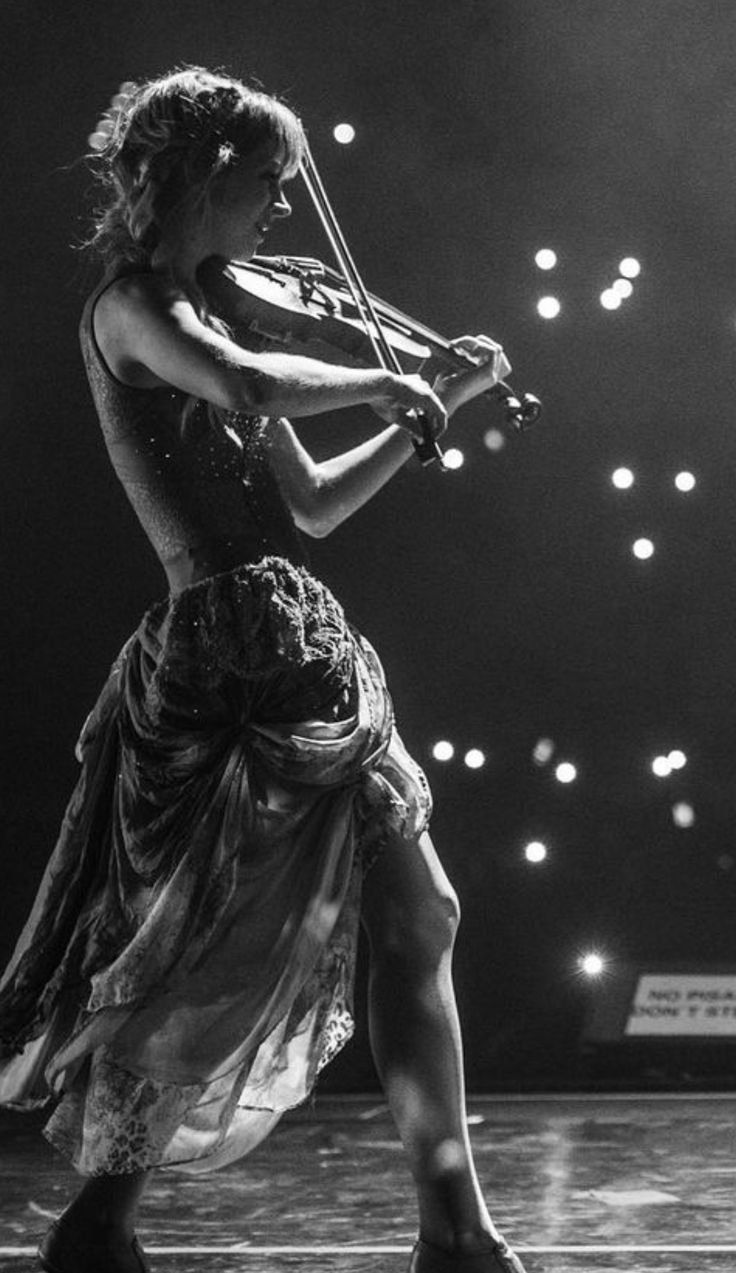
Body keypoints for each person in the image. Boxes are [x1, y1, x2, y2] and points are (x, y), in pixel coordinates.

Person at [0, 67, 529, 1273]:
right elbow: (245, 383)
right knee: (198, 949)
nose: (285, 211)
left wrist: (428, 396)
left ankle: (455, 1226)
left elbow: (315, 504)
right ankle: (100, 1220)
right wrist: (381, 371)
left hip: (305, 645)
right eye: (268, 182)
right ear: (199, 174)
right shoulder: (135, 308)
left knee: (420, 915)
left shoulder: (226, 308)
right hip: (218, 663)